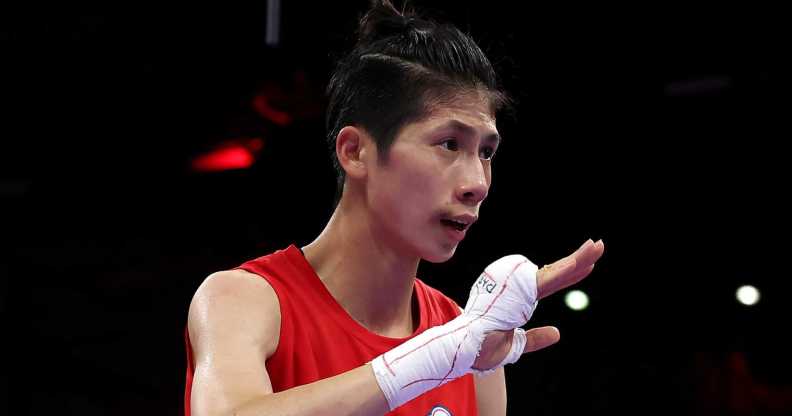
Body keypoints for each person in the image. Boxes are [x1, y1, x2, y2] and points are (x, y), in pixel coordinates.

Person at [184, 1, 605, 415]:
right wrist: (432, 359)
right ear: (355, 152)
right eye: (450, 144)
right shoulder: (243, 301)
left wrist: (452, 351)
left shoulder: (473, 348)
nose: (477, 184)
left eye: (487, 151)